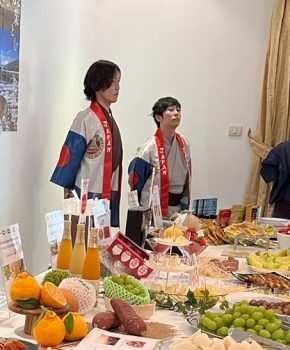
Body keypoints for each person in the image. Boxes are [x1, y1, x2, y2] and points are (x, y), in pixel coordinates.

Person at [51, 60, 123, 226]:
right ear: (98, 83)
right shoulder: (86, 118)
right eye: (113, 81)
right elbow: (70, 156)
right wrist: (69, 197)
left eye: (119, 81)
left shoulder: (109, 118)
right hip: (88, 195)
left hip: (106, 194)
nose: (117, 87)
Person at [127, 97, 192, 217]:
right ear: (158, 117)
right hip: (154, 208)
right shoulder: (150, 147)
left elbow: (187, 176)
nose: (176, 113)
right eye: (171, 110)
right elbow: (135, 178)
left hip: (177, 207)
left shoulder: (184, 143)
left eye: (178, 110)